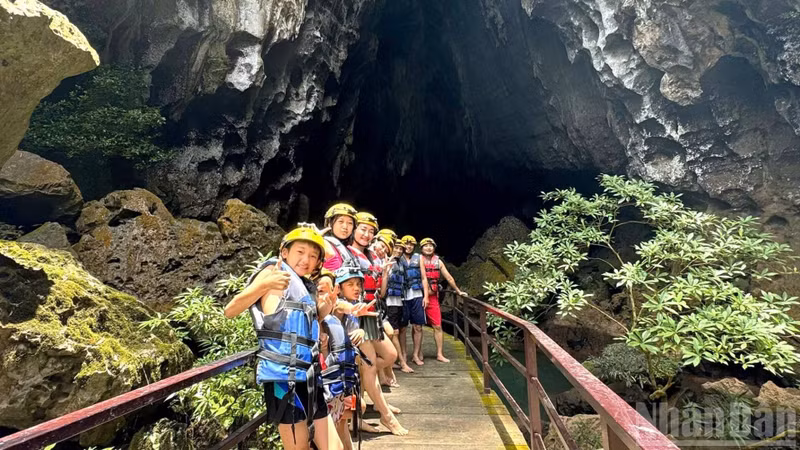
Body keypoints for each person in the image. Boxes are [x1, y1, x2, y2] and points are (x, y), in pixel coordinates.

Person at [223, 227, 342, 450]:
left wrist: (325, 309)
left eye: (313, 256)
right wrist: (264, 285)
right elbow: (230, 310)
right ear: (284, 252)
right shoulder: (273, 271)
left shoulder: (304, 285)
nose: (306, 259)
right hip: (284, 379)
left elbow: (302, 323)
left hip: (310, 375)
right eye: (300, 251)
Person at [334, 266, 408, 436]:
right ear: (339, 288)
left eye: (358, 284)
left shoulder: (355, 302)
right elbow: (340, 306)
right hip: (343, 352)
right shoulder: (338, 303)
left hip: (356, 347)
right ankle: (387, 417)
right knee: (369, 366)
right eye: (350, 284)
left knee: (390, 355)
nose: (356, 288)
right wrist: (354, 311)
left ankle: (366, 379)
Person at [316, 269, 372, 450]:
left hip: (337, 389)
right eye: (320, 291)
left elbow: (343, 306)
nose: (325, 297)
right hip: (319, 395)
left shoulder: (333, 317)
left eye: (329, 291)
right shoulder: (307, 319)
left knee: (357, 407)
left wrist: (359, 321)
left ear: (336, 291)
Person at [348, 213, 399, 388]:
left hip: (371, 311)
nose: (367, 234)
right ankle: (374, 403)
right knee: (370, 360)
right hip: (356, 313)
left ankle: (364, 385)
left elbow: (382, 293)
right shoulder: (346, 252)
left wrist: (384, 273)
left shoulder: (371, 256)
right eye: (363, 229)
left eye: (371, 231)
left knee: (390, 356)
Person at [419, 237, 467, 363]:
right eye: (426, 246)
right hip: (419, 296)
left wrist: (458, 291)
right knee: (417, 327)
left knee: (437, 326)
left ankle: (440, 354)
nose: (428, 248)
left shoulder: (438, 262)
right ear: (421, 248)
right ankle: (418, 353)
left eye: (431, 246)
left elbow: (449, 278)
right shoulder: (418, 260)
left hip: (433, 297)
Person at [380, 239, 414, 374]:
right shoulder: (386, 261)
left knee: (397, 331)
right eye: (396, 248)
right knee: (394, 332)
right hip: (389, 302)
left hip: (399, 301)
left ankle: (394, 361)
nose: (399, 251)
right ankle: (402, 362)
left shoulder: (400, 262)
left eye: (401, 249)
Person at [398, 235, 429, 367]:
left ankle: (415, 354)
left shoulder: (419, 258)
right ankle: (403, 354)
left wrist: (426, 296)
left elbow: (423, 278)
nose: (409, 247)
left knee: (418, 326)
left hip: (416, 295)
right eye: (406, 244)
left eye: (411, 245)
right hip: (403, 296)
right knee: (403, 327)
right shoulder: (398, 258)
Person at [323, 203, 359, 271]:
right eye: (341, 221)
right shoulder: (323, 244)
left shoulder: (350, 251)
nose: (345, 227)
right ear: (329, 224)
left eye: (350, 223)